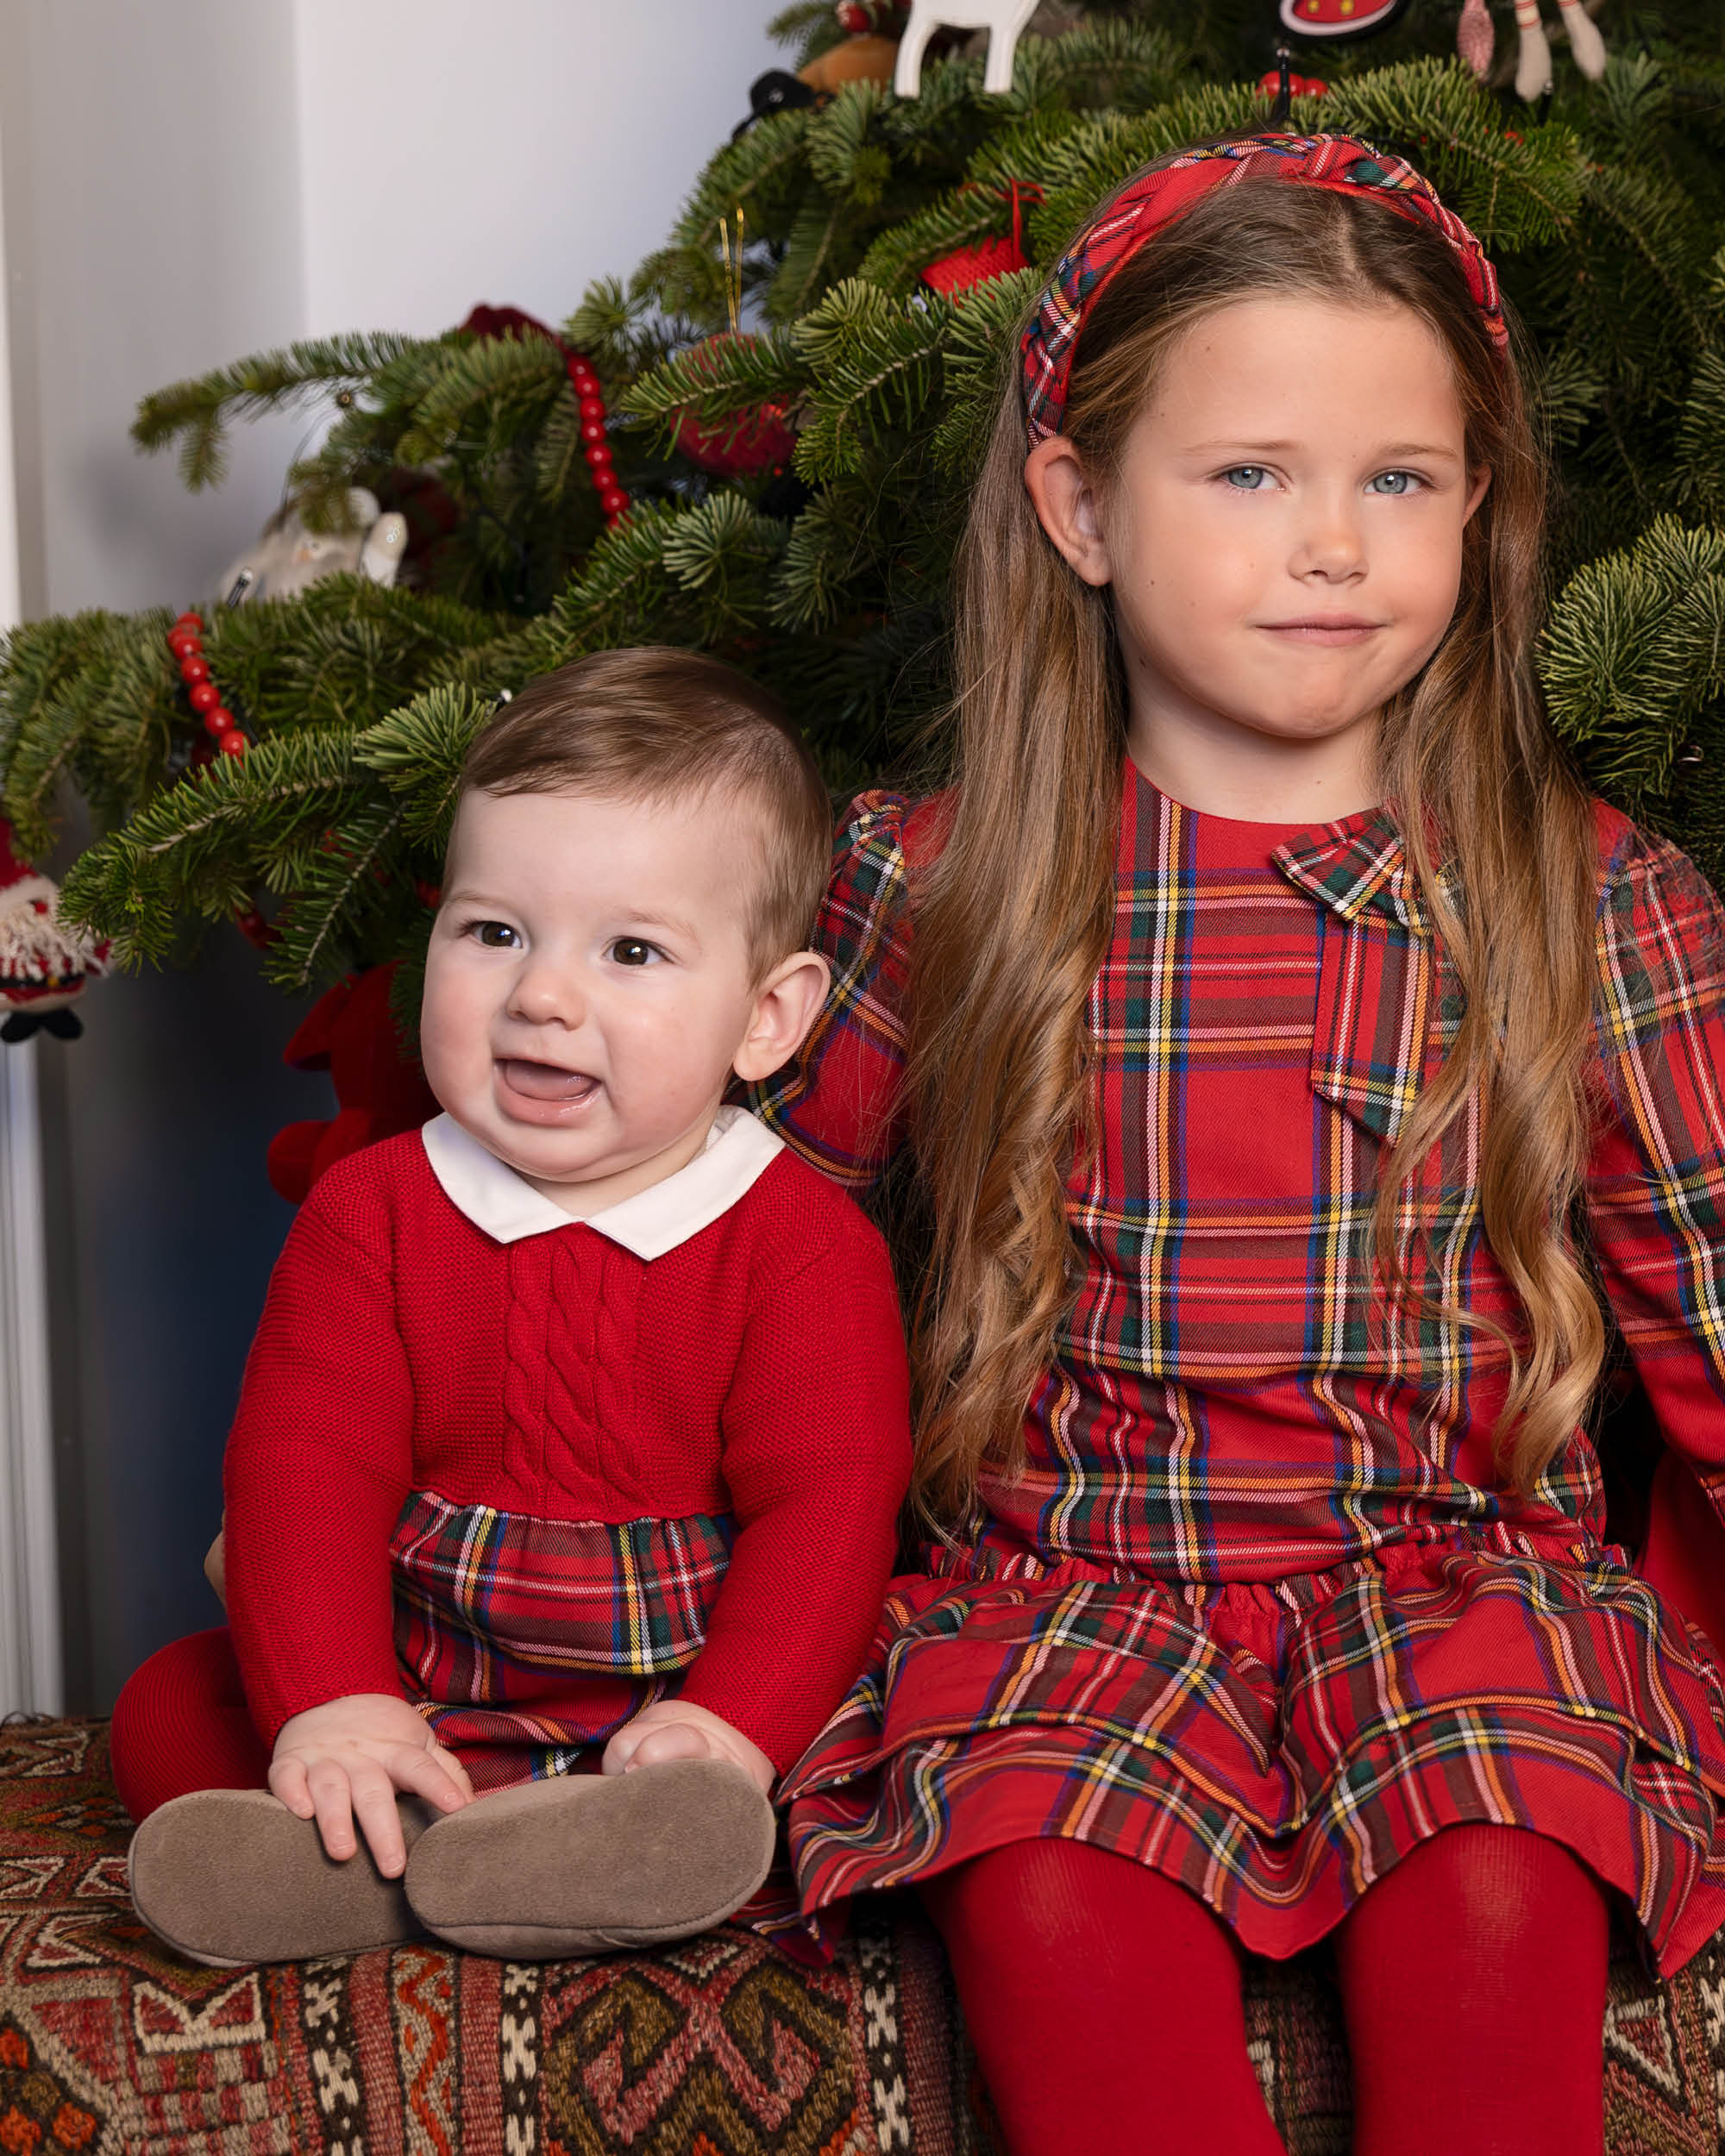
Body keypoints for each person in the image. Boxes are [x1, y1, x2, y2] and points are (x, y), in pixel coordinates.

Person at [747, 135, 1725, 2156]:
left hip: (1451, 1571)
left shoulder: (1587, 901)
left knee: (1497, 1869)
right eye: (1250, 474)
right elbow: (748, 1279)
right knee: (1048, 1897)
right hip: (1070, 1582)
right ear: (1079, 506)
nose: (1334, 547)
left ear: (1481, 506)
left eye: (1398, 479)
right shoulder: (933, 890)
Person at [112, 647, 912, 1967]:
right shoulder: (372, 1212)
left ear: (766, 1018)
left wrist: (730, 1726)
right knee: (172, 1705)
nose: (542, 994)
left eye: (633, 951)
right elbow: (302, 1469)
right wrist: (339, 1704)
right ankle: (396, 1858)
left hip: (676, 1711)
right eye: (493, 932)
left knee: (875, 1718)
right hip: (432, 1688)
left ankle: (604, 1857)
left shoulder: (800, 1244)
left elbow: (826, 1510)